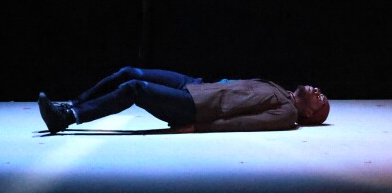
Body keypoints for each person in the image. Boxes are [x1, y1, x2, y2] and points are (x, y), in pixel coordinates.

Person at [37, 66, 329, 134]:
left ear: (309, 116)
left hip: (196, 107)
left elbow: (244, 122)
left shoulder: (287, 114)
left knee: (135, 87)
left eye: (321, 99)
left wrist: (197, 127)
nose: (318, 91)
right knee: (130, 70)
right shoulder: (280, 89)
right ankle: (71, 105)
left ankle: (65, 118)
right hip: (197, 87)